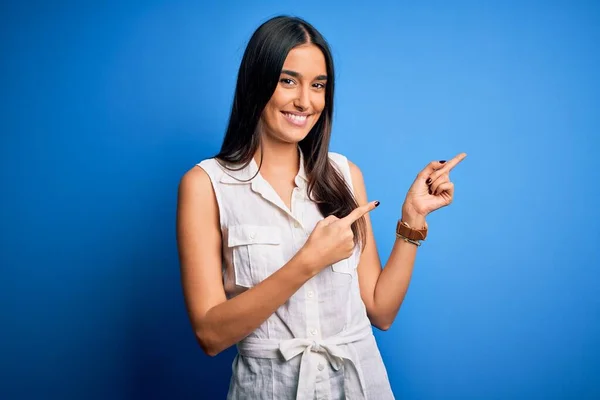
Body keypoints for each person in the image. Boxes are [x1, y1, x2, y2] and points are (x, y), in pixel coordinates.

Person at [176, 15, 466, 400]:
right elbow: (210, 335)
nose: (305, 101)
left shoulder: (346, 175)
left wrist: (412, 220)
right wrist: (307, 262)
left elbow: (380, 310)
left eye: (318, 85)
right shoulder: (205, 185)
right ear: (256, 82)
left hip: (360, 386)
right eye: (287, 81)